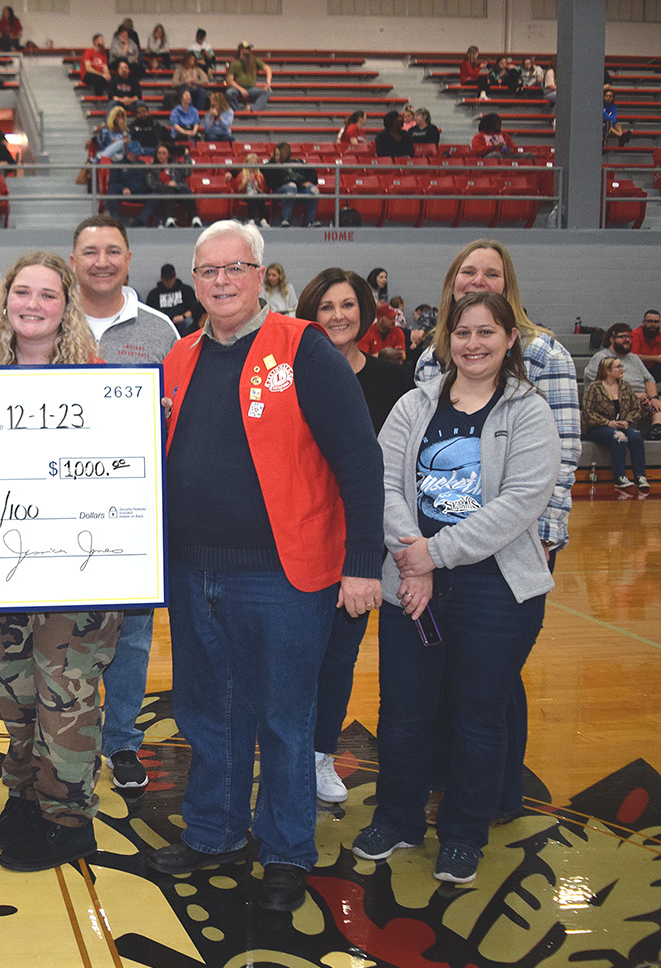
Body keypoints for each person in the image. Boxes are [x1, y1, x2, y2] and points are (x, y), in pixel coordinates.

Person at [144, 220, 383, 915]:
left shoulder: (304, 348)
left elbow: (359, 462)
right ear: (194, 280)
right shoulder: (178, 359)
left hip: (283, 575)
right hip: (192, 571)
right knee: (206, 712)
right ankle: (216, 832)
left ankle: (285, 851)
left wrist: (362, 561)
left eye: (235, 267)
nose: (221, 280)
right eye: (208, 270)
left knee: (283, 719)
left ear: (262, 276)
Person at [354, 291, 558, 886]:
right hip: (411, 586)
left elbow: (521, 503)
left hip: (494, 591)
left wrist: (430, 556)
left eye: (486, 333)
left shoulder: (528, 411)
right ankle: (397, 817)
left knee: (477, 718)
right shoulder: (414, 405)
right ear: (447, 338)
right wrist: (413, 560)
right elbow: (383, 481)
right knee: (404, 715)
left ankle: (464, 834)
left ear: (509, 339)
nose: (473, 344)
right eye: (462, 333)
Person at [412, 239, 580, 822]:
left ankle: (499, 795)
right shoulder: (432, 358)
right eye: (467, 271)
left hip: (513, 544)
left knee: (492, 684)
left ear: (508, 288)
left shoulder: (547, 354)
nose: (477, 280)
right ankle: (446, 784)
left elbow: (561, 455)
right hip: (435, 552)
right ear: (451, 283)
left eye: (491, 272)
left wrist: (548, 534)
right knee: (443, 677)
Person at [0, 252, 123, 871]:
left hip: (78, 579)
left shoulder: (99, 388)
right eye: (22, 293)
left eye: (48, 296)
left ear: (67, 309)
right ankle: (27, 797)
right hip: (1, 572)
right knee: (17, 696)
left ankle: (68, 821)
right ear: (5, 301)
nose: (33, 305)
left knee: (67, 697)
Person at [66, 217, 177, 790]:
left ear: (130, 258)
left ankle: (123, 741)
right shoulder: (51, 320)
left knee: (132, 638)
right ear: (73, 259)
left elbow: (180, 416)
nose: (102, 261)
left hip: (136, 509)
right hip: (58, 508)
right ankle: (67, 740)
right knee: (65, 634)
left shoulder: (161, 332)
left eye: (112, 251)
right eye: (90, 251)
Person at [293, 269, 412, 803]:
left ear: (364, 311)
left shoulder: (393, 382)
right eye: (326, 306)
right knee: (291, 657)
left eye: (348, 304)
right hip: (297, 542)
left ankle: (319, 757)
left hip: (360, 545)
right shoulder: (289, 376)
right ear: (309, 314)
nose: (338, 315)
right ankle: (285, 752)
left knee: (340, 658)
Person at [583, 355, 650, 490]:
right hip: (599, 427)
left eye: (621, 366)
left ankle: (640, 475)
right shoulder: (594, 387)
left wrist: (627, 421)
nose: (622, 369)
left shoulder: (626, 386)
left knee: (636, 436)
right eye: (618, 367)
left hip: (622, 424)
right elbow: (587, 413)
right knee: (619, 436)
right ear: (607, 370)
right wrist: (607, 422)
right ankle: (619, 476)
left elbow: (635, 409)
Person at [583, 324, 660, 422]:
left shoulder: (634, 358)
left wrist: (654, 398)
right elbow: (603, 386)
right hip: (613, 401)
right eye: (622, 337)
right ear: (611, 339)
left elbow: (649, 379)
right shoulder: (601, 358)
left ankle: (656, 428)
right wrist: (633, 395)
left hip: (641, 401)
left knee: (657, 406)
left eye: (629, 336)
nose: (627, 340)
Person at [263, 142, 320, 228]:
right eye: (276, 155)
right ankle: (285, 220)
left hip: (299, 189)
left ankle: (310, 222)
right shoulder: (271, 165)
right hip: (279, 191)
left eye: (279, 155)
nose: (277, 157)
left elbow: (312, 175)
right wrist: (299, 183)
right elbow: (274, 182)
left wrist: (308, 182)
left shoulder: (297, 162)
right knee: (291, 186)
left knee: (314, 190)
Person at [145, 264, 201, 333]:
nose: (168, 282)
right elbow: (150, 314)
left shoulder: (186, 290)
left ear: (175, 276)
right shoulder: (154, 294)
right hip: (163, 324)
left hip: (182, 321)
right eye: (166, 280)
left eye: (170, 279)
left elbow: (194, 309)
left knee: (189, 323)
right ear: (162, 279)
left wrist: (183, 317)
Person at [225, 41, 272, 112]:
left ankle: (252, 109)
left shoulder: (254, 60)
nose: (249, 51)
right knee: (229, 92)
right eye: (247, 49)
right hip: (238, 89)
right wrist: (240, 89)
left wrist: (268, 82)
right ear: (241, 51)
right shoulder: (234, 63)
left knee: (268, 91)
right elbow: (230, 80)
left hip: (251, 88)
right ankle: (236, 111)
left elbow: (267, 69)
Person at [228, 152, 269, 227]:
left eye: (255, 163)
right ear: (247, 163)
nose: (253, 166)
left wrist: (257, 188)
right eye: (251, 163)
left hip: (256, 194)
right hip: (245, 195)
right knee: (251, 197)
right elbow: (238, 189)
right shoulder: (242, 174)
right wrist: (246, 182)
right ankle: (251, 219)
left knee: (259, 197)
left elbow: (263, 190)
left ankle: (263, 219)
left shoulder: (260, 176)